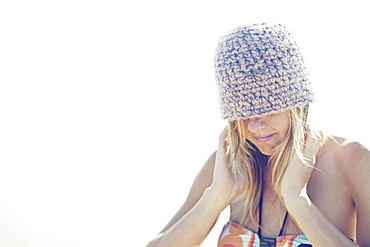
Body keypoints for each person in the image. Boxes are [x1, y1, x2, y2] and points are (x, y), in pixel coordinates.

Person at [146, 23, 370, 247]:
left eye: (267, 110)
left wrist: (296, 200)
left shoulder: (351, 161)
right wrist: (217, 194)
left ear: (296, 105)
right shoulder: (229, 163)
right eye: (241, 114)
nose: (254, 127)